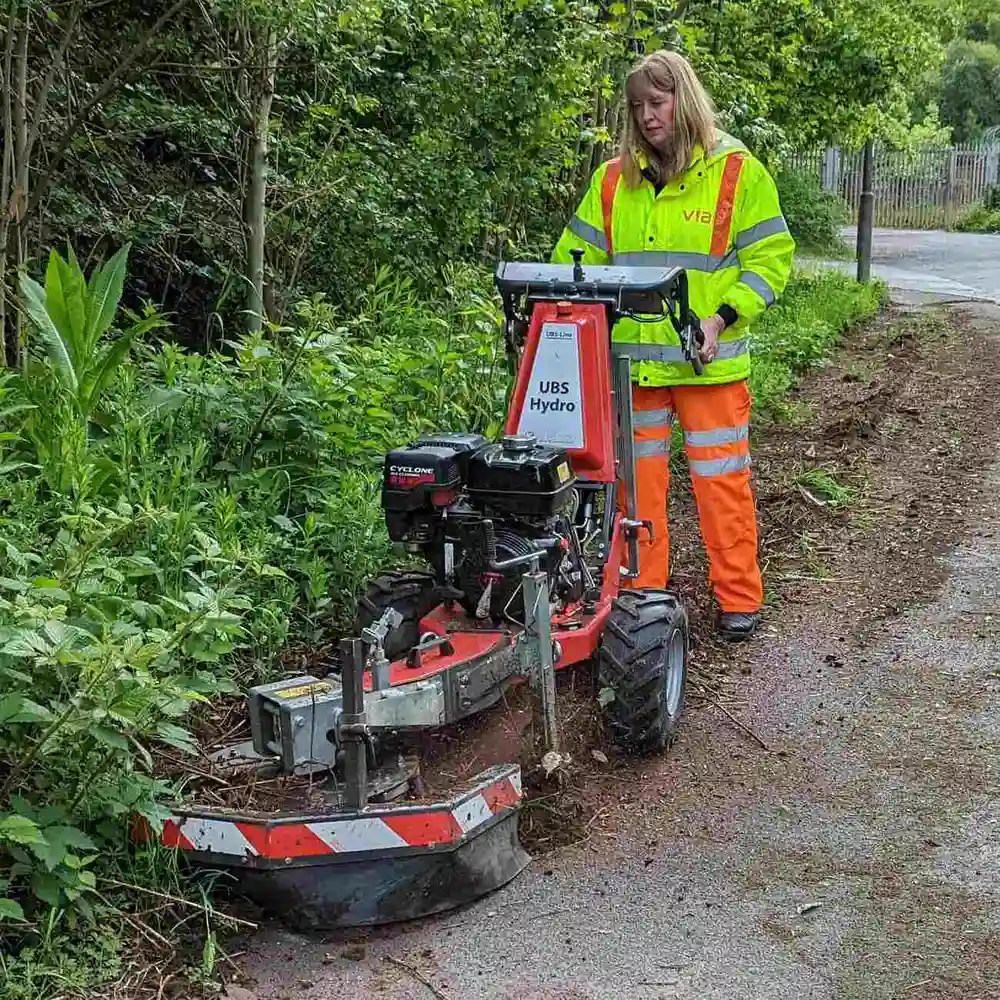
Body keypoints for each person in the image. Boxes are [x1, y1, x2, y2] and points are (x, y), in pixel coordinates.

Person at [551, 49, 795, 641]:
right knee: (636, 493)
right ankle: (643, 602)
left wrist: (722, 317)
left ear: (683, 99)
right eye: (637, 107)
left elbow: (770, 259)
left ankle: (738, 599)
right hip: (635, 371)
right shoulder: (613, 182)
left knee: (722, 485)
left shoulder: (737, 172)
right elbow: (570, 265)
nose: (647, 116)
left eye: (657, 103)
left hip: (708, 367)